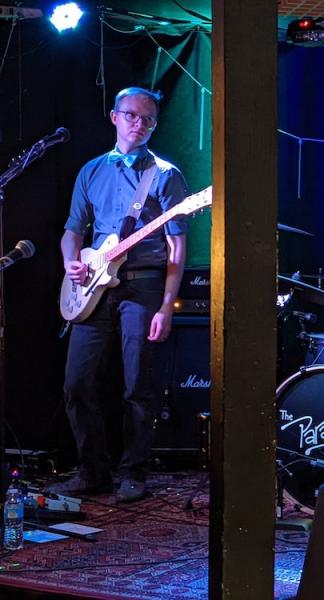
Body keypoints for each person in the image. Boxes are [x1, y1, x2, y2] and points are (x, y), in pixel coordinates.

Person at [54, 87, 188, 502]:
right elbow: (73, 230)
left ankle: (134, 472)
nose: (140, 124)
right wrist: (70, 263)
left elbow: (176, 247)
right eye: (132, 115)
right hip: (92, 287)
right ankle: (92, 470)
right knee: (77, 382)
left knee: (139, 386)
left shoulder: (165, 175)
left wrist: (166, 305)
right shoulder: (91, 170)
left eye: (148, 119)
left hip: (144, 284)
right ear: (114, 117)